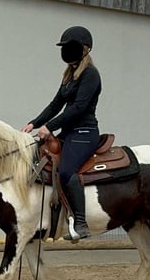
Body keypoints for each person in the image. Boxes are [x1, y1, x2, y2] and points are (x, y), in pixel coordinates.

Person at [21, 26, 102, 240]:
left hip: (85, 132)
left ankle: (81, 223)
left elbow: (78, 108)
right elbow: (56, 104)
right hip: (69, 131)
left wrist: (50, 127)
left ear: (85, 49)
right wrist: (35, 122)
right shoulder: (69, 75)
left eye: (71, 47)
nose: (67, 51)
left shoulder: (90, 75)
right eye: (64, 47)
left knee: (66, 171)